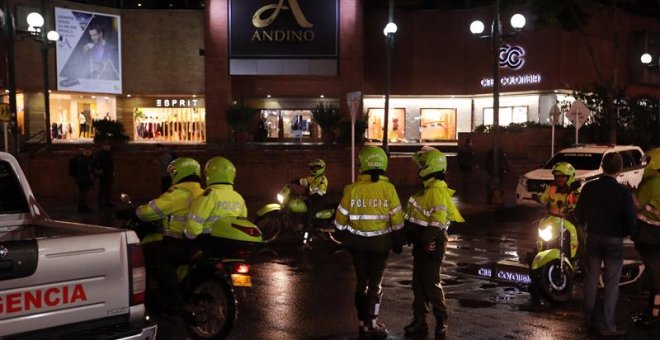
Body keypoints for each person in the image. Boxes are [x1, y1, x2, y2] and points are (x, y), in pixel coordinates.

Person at [334, 146, 405, 339]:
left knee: (361, 282)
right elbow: (397, 219)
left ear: (363, 165)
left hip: (357, 245)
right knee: (375, 284)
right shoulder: (388, 189)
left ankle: (361, 323)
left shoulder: (353, 189)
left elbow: (340, 218)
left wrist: (339, 234)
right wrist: (398, 241)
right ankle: (372, 324)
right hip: (380, 246)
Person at [403, 147, 464, 338]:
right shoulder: (430, 189)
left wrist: (427, 239)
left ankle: (441, 320)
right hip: (424, 242)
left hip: (432, 242)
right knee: (418, 284)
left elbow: (437, 220)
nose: (418, 168)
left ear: (429, 167)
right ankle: (419, 320)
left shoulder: (436, 190)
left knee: (430, 284)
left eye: (421, 165)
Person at [574, 152, 637, 336]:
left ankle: (588, 321)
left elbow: (578, 214)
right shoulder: (623, 192)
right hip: (614, 240)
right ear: (619, 169)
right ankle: (608, 326)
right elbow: (630, 220)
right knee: (611, 284)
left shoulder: (589, 188)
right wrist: (628, 233)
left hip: (592, 237)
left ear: (602, 167)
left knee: (591, 281)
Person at [137, 158, 204, 316]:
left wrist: (135, 211)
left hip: (177, 242)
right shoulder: (202, 192)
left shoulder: (179, 192)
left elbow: (151, 210)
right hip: (195, 243)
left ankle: (171, 299)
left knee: (143, 254)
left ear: (178, 173)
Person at [186, 156, 247, 240]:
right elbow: (243, 221)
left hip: (210, 241)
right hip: (232, 241)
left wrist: (191, 238)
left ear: (209, 174)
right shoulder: (238, 197)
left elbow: (194, 223)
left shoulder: (210, 195)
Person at [632, 147, 660, 327]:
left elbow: (637, 205)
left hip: (649, 236)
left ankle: (654, 313)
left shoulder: (652, 182)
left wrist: (629, 193)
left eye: (648, 161)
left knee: (655, 274)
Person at [291, 158, 328, 236]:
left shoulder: (322, 179)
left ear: (322, 168)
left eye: (317, 168)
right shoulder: (312, 178)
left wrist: (311, 197)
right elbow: (303, 181)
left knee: (309, 214)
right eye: (313, 167)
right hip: (312, 199)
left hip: (318, 201)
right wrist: (292, 181)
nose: (315, 169)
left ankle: (307, 233)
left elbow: (321, 191)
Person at [69, 147, 95, 213]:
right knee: (82, 193)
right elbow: (82, 169)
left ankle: (84, 206)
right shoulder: (80, 159)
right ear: (83, 152)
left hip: (86, 179)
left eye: (89, 151)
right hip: (82, 179)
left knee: (85, 193)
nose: (88, 152)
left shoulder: (89, 159)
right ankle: (82, 207)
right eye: (86, 151)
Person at [94, 141, 115, 208]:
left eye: (108, 146)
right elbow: (97, 162)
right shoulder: (100, 154)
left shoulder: (109, 153)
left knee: (109, 188)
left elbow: (111, 163)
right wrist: (99, 169)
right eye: (106, 146)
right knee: (102, 189)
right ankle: (101, 203)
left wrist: (113, 171)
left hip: (109, 173)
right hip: (103, 174)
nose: (107, 147)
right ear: (103, 146)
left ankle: (107, 202)